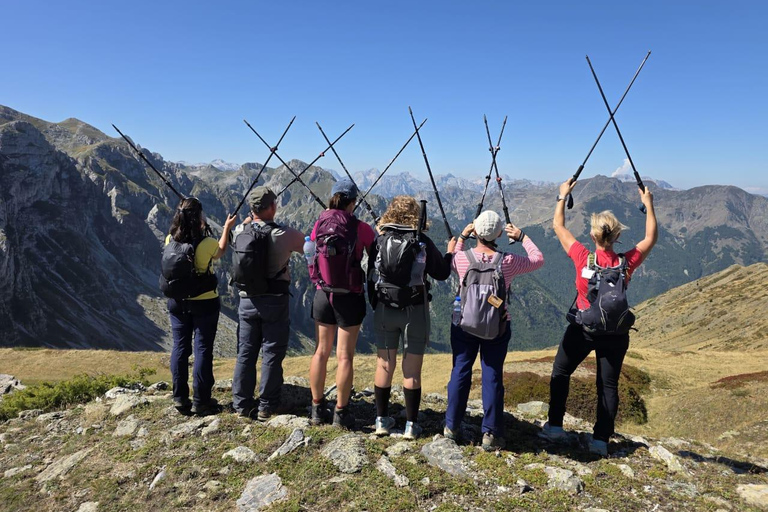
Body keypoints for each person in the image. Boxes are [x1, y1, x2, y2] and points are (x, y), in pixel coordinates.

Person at [539, 179, 657, 456]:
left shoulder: (582, 257)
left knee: (561, 372)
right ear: (617, 237)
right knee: (608, 385)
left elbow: (558, 226)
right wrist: (649, 205)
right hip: (616, 335)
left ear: (593, 236)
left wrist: (562, 196)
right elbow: (651, 237)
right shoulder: (625, 263)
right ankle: (601, 440)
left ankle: (555, 426)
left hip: (583, 330)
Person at [444, 210, 544, 450]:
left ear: (476, 231)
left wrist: (461, 237)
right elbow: (538, 259)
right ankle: (491, 433)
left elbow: (450, 259)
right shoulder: (508, 261)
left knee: (460, 371)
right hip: (497, 326)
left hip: (463, 324)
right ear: (499, 233)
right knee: (492, 376)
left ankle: (451, 426)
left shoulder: (463, 259)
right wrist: (522, 237)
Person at [369, 196, 454, 439]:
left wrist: (376, 302)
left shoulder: (380, 239)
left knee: (384, 364)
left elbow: (371, 274)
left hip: (385, 308)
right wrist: (450, 253)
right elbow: (442, 273)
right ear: (416, 215)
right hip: (414, 310)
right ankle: (410, 425)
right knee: (411, 370)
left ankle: (381, 421)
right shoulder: (421, 241)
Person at [231, 186, 305, 421]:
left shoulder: (240, 230)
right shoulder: (284, 234)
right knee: (272, 352)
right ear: (273, 207)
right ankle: (267, 406)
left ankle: (241, 405)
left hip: (247, 301)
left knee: (246, 352)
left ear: (252, 209)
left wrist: (247, 222)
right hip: (275, 300)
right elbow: (310, 246)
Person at [308, 178, 375, 428]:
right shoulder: (361, 227)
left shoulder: (320, 223)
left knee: (321, 352)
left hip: (323, 294)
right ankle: (341, 412)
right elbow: (374, 251)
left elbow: (312, 246)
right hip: (350, 296)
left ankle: (316, 408)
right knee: (345, 356)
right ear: (353, 202)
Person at [166, 197, 236, 415]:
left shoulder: (170, 239)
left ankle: (179, 397)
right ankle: (201, 400)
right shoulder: (206, 244)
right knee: (202, 349)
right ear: (198, 218)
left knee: (180, 347)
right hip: (204, 302)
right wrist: (226, 228)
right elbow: (221, 250)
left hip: (177, 302)